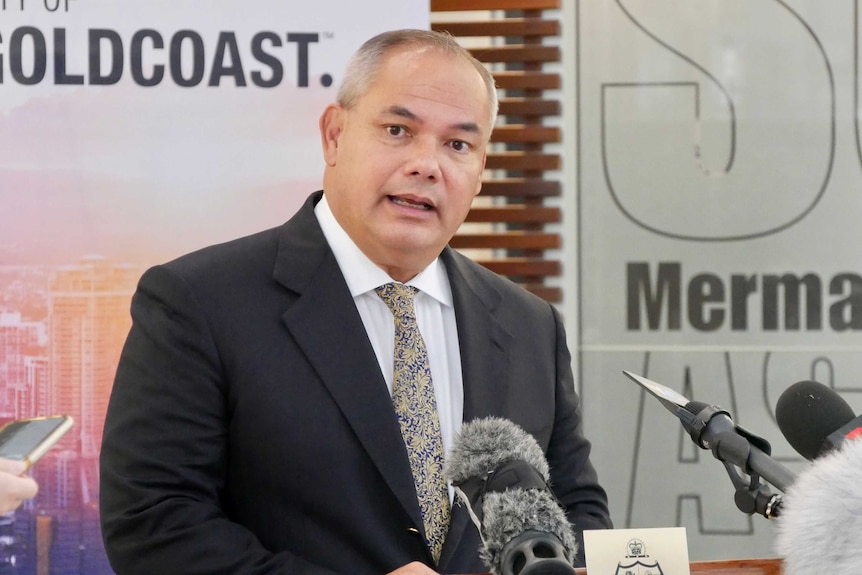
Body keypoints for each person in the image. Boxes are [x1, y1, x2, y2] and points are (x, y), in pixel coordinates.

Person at [99, 29, 611, 575]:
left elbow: (577, 513)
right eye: (398, 130)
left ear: (481, 169)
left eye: (458, 144)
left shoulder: (529, 324)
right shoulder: (199, 302)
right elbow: (154, 523)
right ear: (334, 135)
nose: (427, 164)